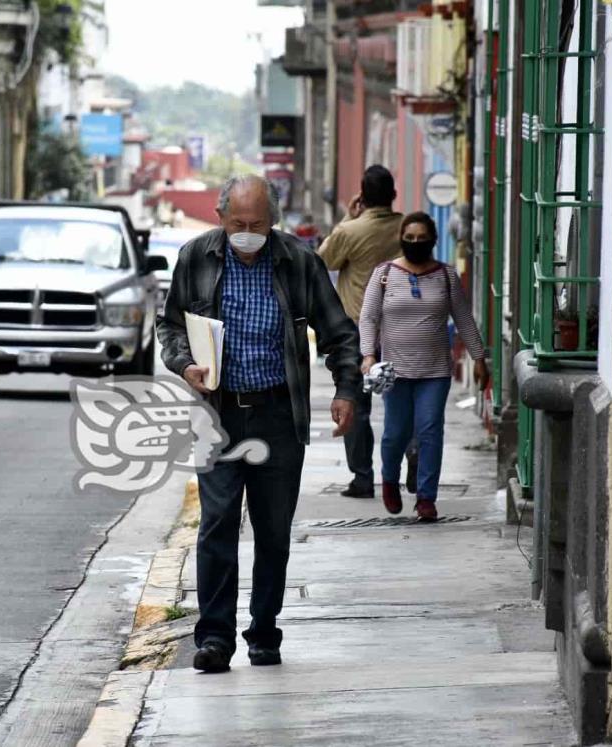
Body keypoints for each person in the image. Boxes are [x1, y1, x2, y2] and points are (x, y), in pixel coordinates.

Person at [158, 175, 360, 673]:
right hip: (219, 413)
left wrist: (345, 390)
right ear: (221, 218)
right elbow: (170, 324)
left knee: (272, 531)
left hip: (277, 414)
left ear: (274, 221)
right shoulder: (195, 257)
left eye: (257, 225)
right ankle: (214, 638)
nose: (247, 234)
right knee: (217, 524)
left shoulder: (298, 262)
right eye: (237, 225)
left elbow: (339, 333)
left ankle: (264, 632)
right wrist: (185, 364)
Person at [358, 211, 489, 522]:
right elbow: (368, 317)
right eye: (410, 238)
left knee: (430, 431)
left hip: (435, 371)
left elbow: (464, 319)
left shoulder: (446, 276)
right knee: (395, 433)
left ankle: (426, 498)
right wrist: (368, 356)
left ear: (433, 240)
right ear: (401, 239)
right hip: (395, 371)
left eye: (421, 238)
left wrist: (479, 358)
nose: (415, 243)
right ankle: (389, 479)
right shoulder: (384, 274)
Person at [316, 165, 404, 499]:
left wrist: (348, 220)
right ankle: (409, 463)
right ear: (393, 195)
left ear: (362, 196)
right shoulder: (406, 227)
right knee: (404, 401)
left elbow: (322, 261)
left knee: (356, 404)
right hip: (401, 330)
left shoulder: (350, 231)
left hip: (357, 331)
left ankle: (363, 478)